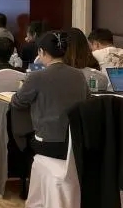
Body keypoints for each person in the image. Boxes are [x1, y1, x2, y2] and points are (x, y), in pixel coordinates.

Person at [11, 31, 90, 159]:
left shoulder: (37, 76)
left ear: (41, 52)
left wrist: (21, 88)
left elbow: (17, 102)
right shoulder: (79, 75)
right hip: (75, 143)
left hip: (47, 142)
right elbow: (87, 100)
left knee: (19, 142)